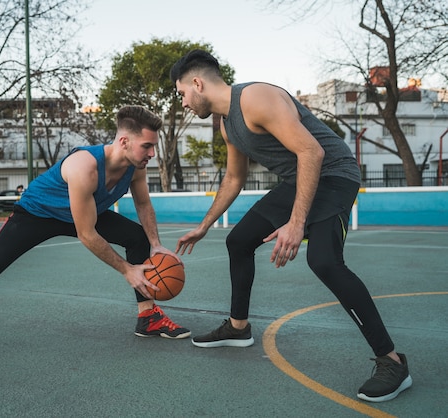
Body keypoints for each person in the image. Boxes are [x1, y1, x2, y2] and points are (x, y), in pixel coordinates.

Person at [170, 50, 411, 403]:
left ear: (197, 83)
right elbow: (234, 178)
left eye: (181, 94)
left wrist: (297, 224)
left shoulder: (255, 98)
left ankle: (391, 362)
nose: (183, 103)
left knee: (325, 261)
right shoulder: (226, 124)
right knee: (238, 241)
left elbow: (312, 153)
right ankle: (238, 328)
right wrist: (205, 225)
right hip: (297, 180)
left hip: (334, 174)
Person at [0, 105, 190, 365]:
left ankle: (147, 316)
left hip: (81, 213)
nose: (152, 153)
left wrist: (155, 245)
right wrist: (128, 271)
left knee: (137, 237)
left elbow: (142, 202)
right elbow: (87, 234)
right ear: (124, 141)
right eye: (147, 146)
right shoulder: (84, 166)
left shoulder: (135, 166)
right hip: (37, 214)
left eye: (153, 147)